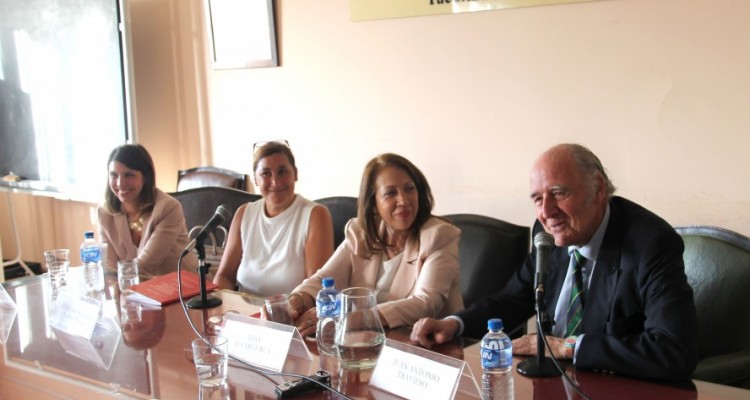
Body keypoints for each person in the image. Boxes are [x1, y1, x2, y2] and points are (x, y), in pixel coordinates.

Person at [411, 143, 698, 381]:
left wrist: (566, 347)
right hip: (550, 383)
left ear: (598, 188)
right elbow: (512, 300)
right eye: (538, 198)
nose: (546, 212)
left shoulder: (651, 244)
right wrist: (454, 324)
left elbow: (673, 350)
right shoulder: (546, 233)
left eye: (559, 193)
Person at [286, 153, 464, 336]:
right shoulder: (360, 233)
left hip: (429, 346)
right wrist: (296, 301)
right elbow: (324, 278)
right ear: (373, 203)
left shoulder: (438, 235)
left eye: (410, 189)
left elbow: (426, 303)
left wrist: (347, 319)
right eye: (391, 193)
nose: (403, 201)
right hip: (371, 342)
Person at [213, 141, 334, 296]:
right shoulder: (244, 213)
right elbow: (224, 276)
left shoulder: (315, 215)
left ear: (295, 174)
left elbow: (316, 289)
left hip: (291, 315)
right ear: (255, 179)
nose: (275, 182)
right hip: (244, 315)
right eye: (266, 173)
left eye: (282, 171)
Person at [98, 144, 198, 277]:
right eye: (114, 175)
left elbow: (146, 265)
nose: (120, 183)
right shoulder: (104, 212)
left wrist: (120, 283)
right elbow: (108, 268)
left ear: (145, 176)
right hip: (134, 290)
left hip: (180, 289)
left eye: (128, 175)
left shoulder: (168, 208)